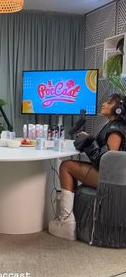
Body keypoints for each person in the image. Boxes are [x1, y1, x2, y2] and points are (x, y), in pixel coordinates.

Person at [48, 93, 126, 241]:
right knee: (69, 166)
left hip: (111, 179)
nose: (103, 104)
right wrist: (89, 140)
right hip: (113, 175)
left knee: (66, 166)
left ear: (118, 109)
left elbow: (108, 161)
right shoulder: (114, 125)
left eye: (108, 103)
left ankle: (65, 222)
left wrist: (88, 142)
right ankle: (67, 219)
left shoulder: (116, 128)